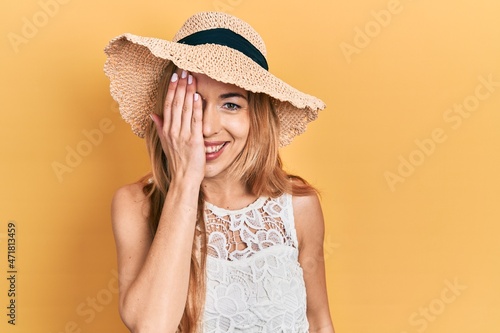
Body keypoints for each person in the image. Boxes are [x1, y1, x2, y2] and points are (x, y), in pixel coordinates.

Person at [104, 11, 334, 333]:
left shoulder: (298, 205)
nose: (208, 128)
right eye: (193, 103)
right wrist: (185, 179)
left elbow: (319, 322)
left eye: (231, 105)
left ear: (256, 117)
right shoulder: (135, 205)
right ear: (169, 112)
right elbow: (151, 327)